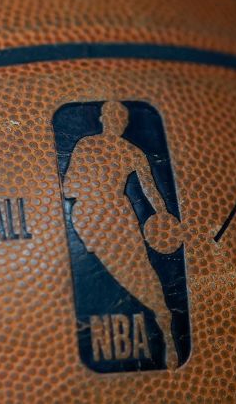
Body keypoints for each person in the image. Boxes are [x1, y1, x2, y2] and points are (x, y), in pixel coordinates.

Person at [63, 101, 178, 366]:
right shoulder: (86, 145)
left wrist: (162, 213)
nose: (117, 121)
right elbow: (69, 187)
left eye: (121, 118)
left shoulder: (133, 152)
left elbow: (149, 189)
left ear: (125, 123)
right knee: (111, 270)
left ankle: (166, 328)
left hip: (120, 213)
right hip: (89, 216)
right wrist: (93, 193)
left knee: (142, 269)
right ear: (103, 118)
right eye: (113, 116)